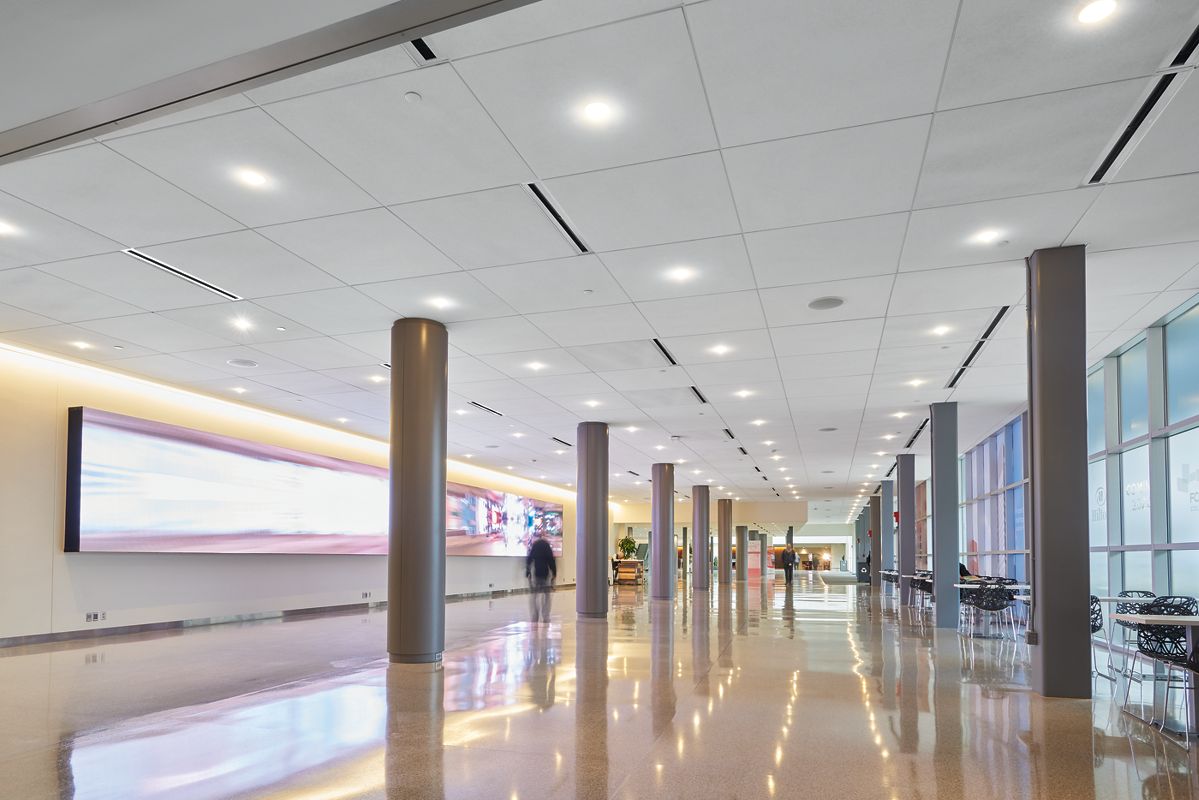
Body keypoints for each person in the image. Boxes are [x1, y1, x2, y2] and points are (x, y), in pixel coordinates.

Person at [526, 532, 557, 623]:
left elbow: (529, 559)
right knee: (547, 596)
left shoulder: (535, 545)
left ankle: (534, 616)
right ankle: (545, 616)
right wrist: (554, 573)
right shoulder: (546, 545)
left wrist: (528, 572)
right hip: (545, 574)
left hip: (536, 574)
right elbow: (551, 560)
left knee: (534, 596)